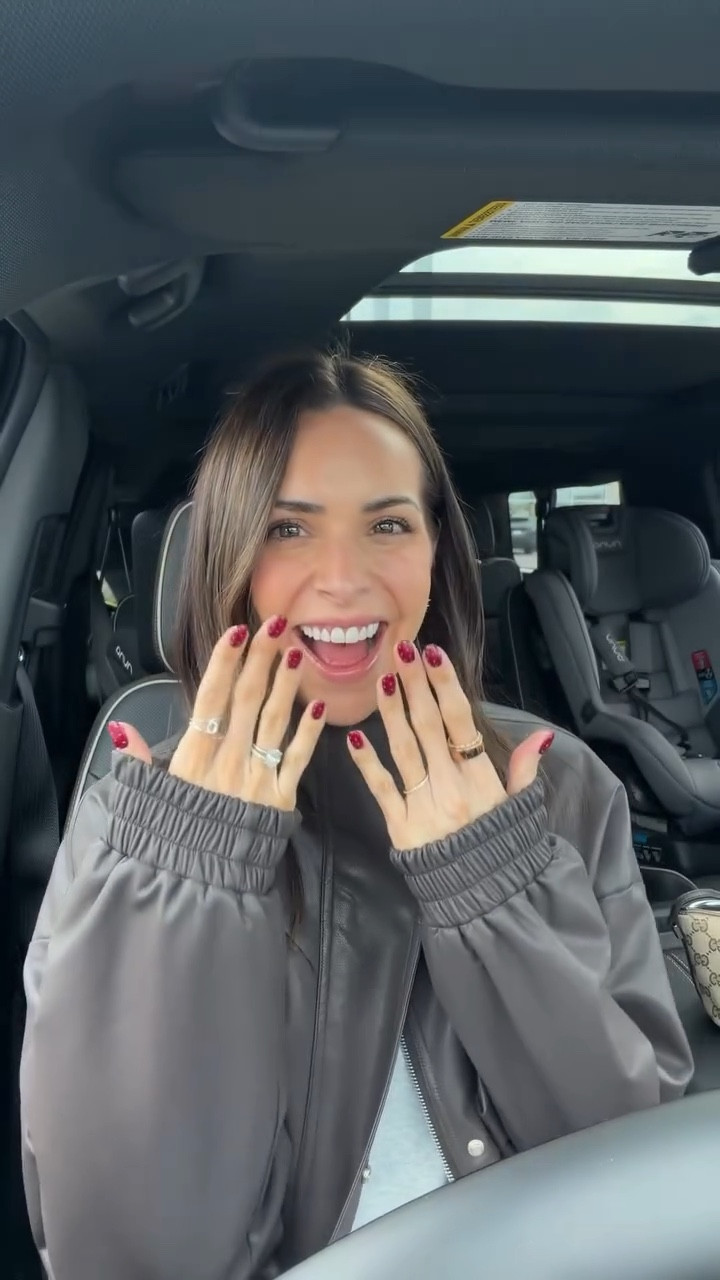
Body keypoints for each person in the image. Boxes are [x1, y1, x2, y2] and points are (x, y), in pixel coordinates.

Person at [20, 351, 692, 1280]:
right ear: (228, 557)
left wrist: (487, 881)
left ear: (435, 551)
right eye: (287, 528)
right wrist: (191, 880)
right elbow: (121, 1253)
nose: (343, 579)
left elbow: (640, 1181)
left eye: (387, 523)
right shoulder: (129, 826)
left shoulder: (559, 786)